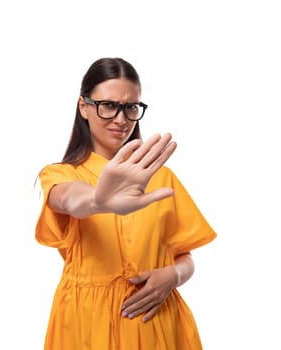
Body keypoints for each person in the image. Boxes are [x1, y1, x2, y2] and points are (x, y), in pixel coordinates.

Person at [34, 57, 217, 350]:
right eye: (108, 106)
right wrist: (98, 201)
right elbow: (69, 199)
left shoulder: (161, 178)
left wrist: (174, 275)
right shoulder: (60, 174)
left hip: (156, 320)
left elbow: (186, 256)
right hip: (87, 326)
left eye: (130, 107)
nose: (121, 120)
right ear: (84, 106)